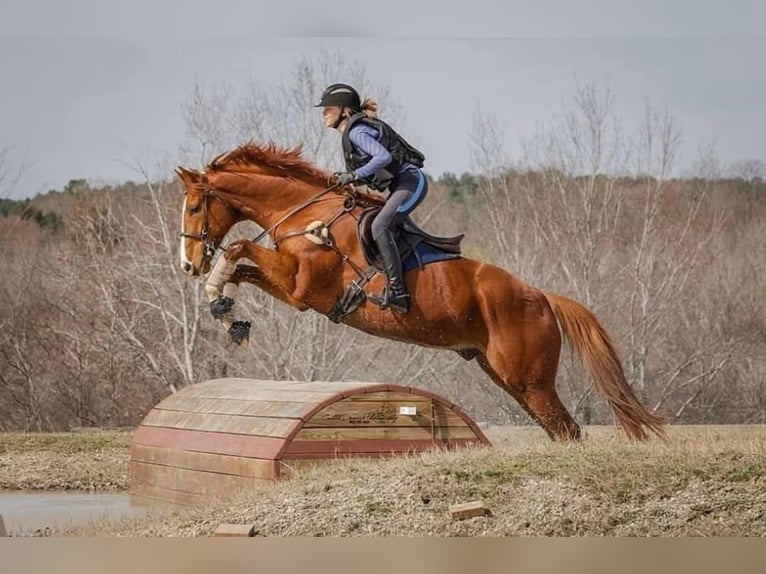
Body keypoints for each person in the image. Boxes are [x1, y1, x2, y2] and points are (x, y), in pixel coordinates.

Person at [315, 83, 428, 314]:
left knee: (379, 226)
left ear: (344, 111)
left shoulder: (356, 132)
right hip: (400, 186)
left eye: (328, 108)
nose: (323, 113)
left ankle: (399, 293)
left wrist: (354, 175)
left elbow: (383, 157)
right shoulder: (352, 132)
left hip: (412, 182)